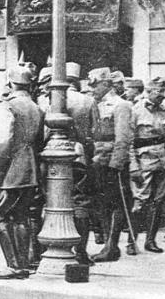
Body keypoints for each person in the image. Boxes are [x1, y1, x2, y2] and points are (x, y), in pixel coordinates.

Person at [0, 66, 44, 280]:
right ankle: (24, 263)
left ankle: (14, 266)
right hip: (30, 169)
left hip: (10, 170)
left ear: (10, 83)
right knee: (21, 216)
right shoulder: (36, 107)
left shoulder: (6, 106)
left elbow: (3, 142)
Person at [88, 67, 134, 262]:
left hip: (111, 162)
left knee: (115, 203)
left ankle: (112, 245)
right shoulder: (94, 104)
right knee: (101, 203)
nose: (92, 89)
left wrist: (116, 164)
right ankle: (107, 244)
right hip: (97, 160)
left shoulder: (121, 105)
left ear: (106, 84)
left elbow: (123, 138)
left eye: (95, 85)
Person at [129, 77, 165, 254]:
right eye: (158, 91)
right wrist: (133, 166)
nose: (162, 95)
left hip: (163, 162)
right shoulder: (136, 111)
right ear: (148, 92)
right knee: (140, 201)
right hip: (144, 162)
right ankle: (131, 242)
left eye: (163, 91)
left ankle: (150, 240)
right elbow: (129, 142)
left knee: (158, 201)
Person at [64, 62, 100, 265]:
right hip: (80, 156)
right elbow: (96, 133)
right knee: (81, 203)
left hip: (52, 156)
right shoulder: (88, 100)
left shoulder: (49, 99)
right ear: (77, 81)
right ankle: (80, 252)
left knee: (53, 201)